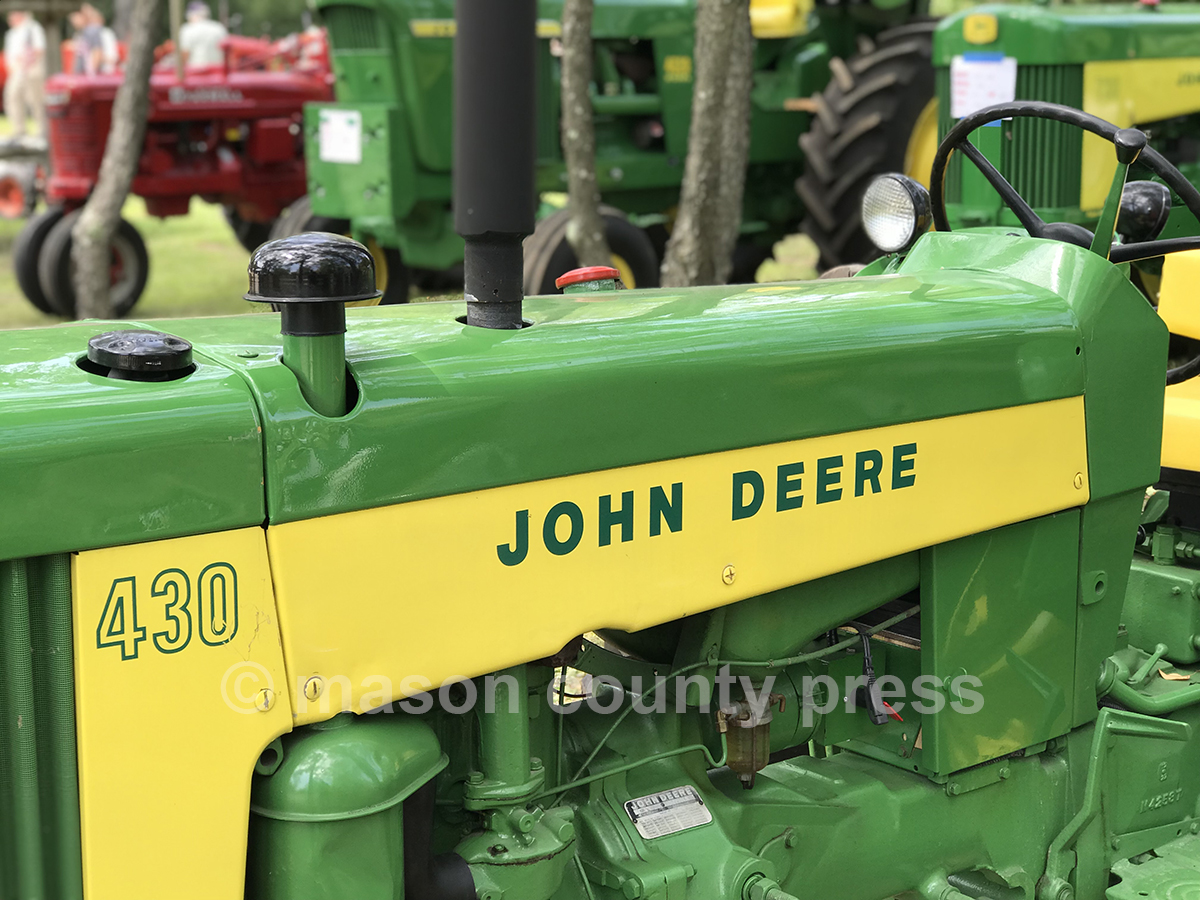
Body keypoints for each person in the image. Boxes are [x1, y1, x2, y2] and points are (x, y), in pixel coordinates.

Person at [3, 10, 45, 137]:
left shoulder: (33, 28)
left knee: (35, 99)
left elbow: (39, 49)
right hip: (16, 71)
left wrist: (27, 63)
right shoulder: (11, 33)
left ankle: (42, 129)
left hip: (31, 68)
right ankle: (19, 130)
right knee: (12, 97)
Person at [179, 1, 227, 69]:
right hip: (218, 72)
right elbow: (226, 52)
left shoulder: (187, 29)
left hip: (195, 72)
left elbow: (185, 54)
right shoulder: (219, 28)